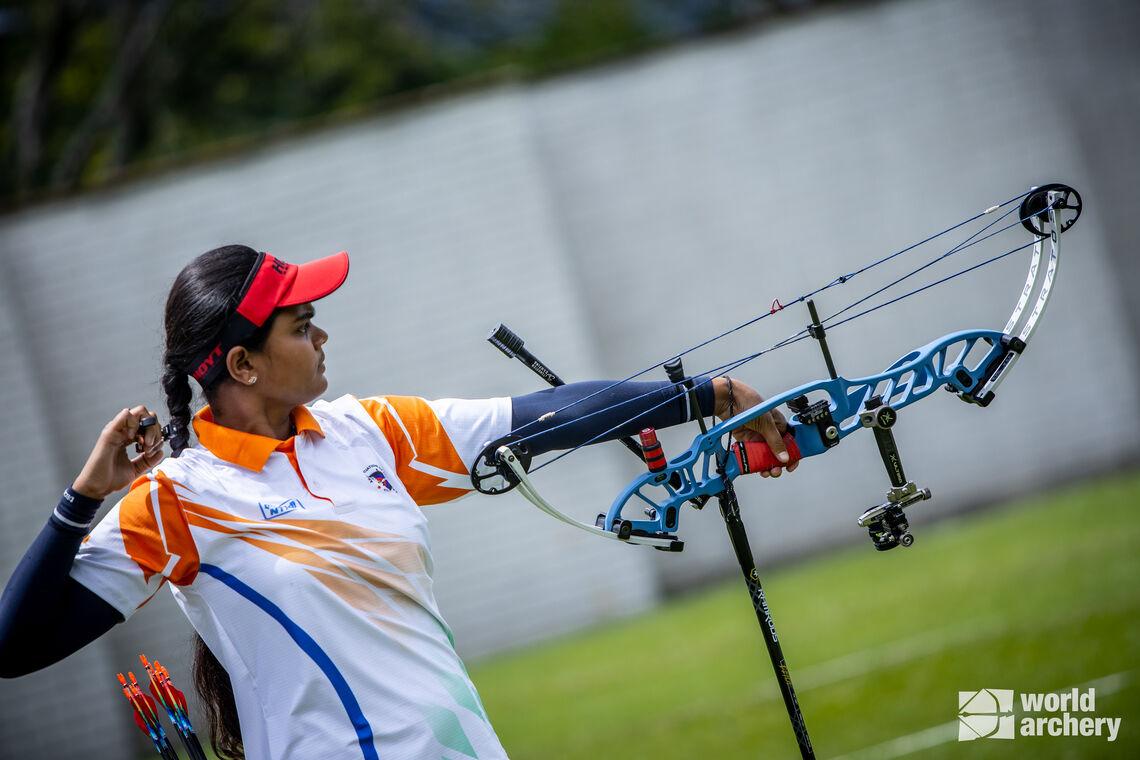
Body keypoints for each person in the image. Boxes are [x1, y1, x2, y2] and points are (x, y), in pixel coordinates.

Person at [0, 245, 796, 759]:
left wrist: (711, 396)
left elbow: (544, 417)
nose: (321, 338)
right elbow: (15, 646)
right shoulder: (176, 500)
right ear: (241, 364)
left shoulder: (368, 431)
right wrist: (81, 501)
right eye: (301, 325)